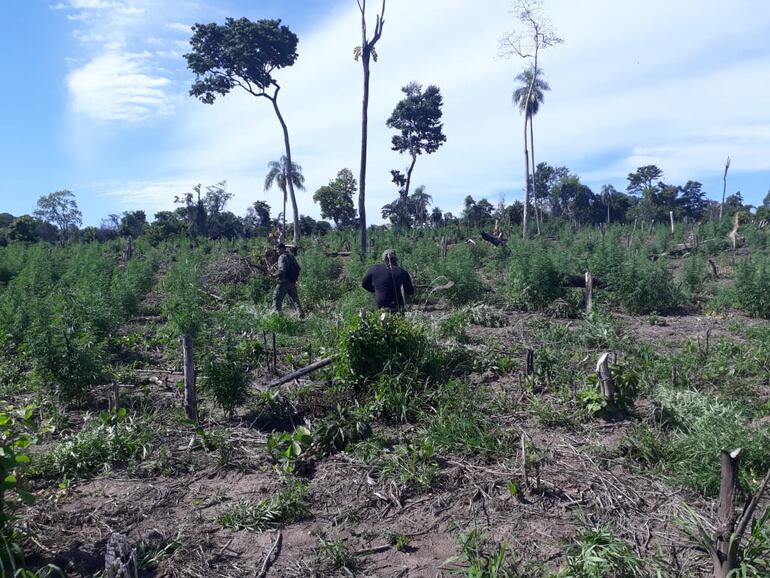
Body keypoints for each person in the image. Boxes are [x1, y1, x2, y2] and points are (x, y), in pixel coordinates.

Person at [272, 243, 305, 318]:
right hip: (292, 282)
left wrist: (274, 275)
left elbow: (282, 270)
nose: (277, 251)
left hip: (283, 282)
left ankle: (276, 316)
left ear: (281, 249)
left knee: (277, 298)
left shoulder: (282, 257)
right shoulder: (291, 255)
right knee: (295, 299)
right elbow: (298, 267)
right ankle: (300, 314)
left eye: (277, 249)